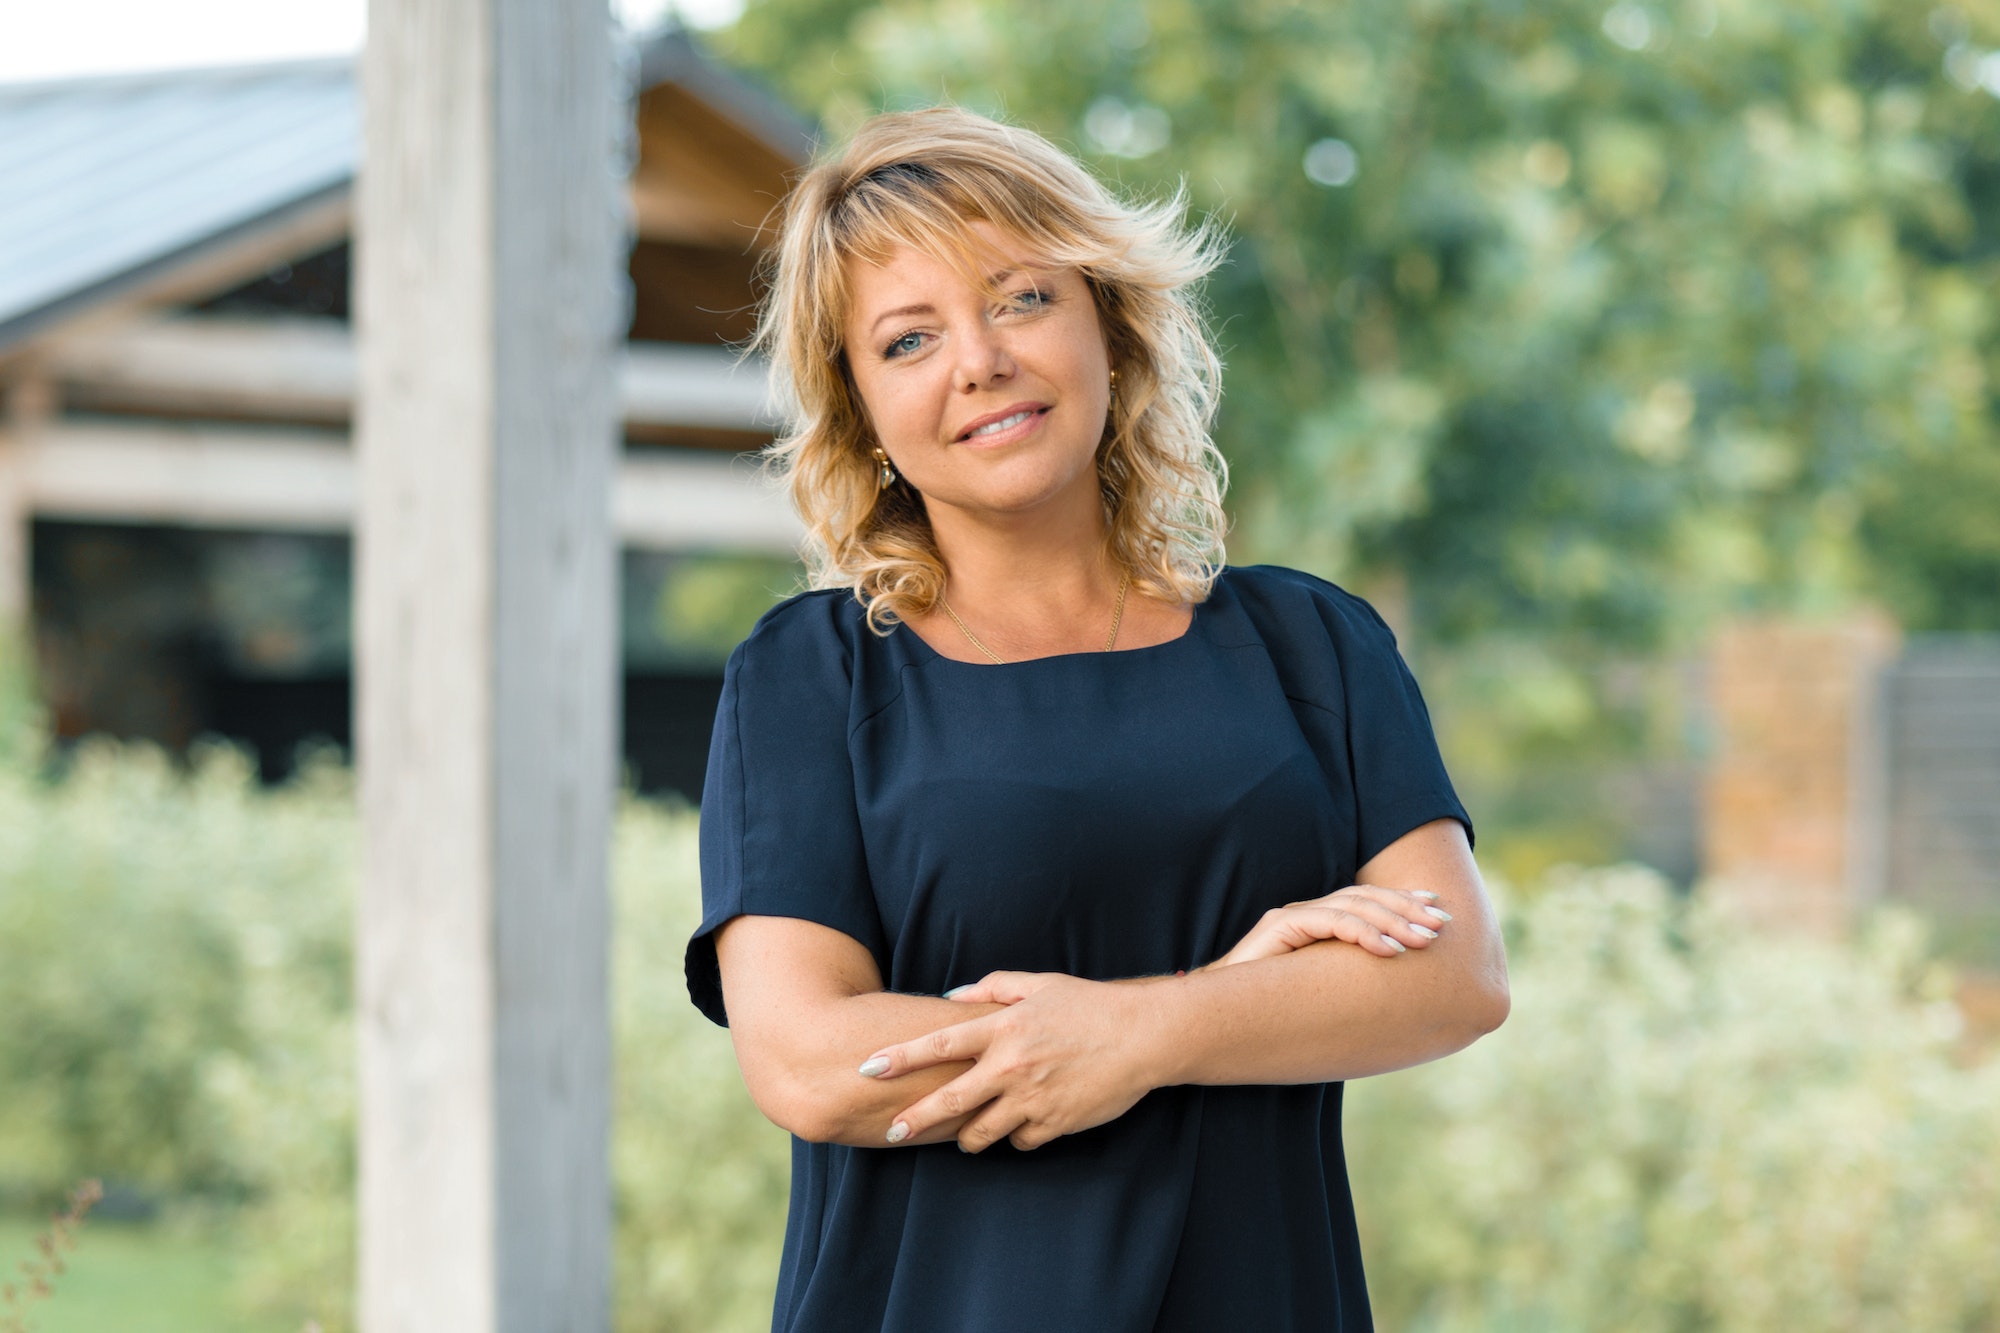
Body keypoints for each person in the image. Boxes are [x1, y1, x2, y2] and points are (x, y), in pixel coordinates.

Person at [684, 106, 1511, 1333]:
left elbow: (1452, 975)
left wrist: (1150, 1028)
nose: (979, 360)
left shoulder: (1310, 649)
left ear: (1109, 327)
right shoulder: (811, 680)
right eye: (908, 338)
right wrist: (1222, 1003)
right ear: (860, 411)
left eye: (1020, 299)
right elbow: (806, 1056)